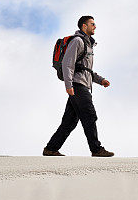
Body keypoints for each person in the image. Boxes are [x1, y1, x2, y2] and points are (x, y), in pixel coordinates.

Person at [43, 15, 114, 157]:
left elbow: (85, 69)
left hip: (81, 84)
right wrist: (68, 85)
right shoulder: (77, 41)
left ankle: (50, 149)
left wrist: (101, 80)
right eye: (92, 24)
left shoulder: (88, 44)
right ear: (84, 26)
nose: (95, 26)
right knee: (89, 115)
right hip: (77, 86)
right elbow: (67, 64)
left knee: (69, 122)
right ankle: (96, 149)